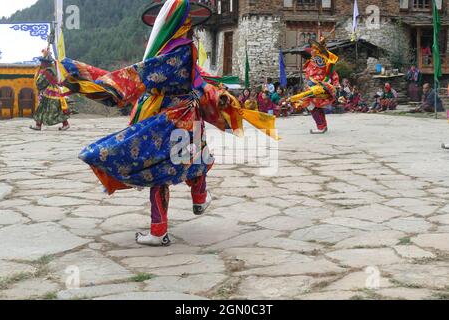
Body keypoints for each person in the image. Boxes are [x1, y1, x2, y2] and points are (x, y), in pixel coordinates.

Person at [60, 0, 278, 247]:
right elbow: (196, 79)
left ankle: (158, 230)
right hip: (189, 115)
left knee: (159, 171)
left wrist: (87, 79)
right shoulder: (185, 49)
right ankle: (200, 199)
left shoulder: (173, 53)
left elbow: (138, 77)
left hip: (170, 119)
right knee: (196, 158)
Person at [289, 37, 340, 134]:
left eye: (314, 48)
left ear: (318, 50)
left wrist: (335, 83)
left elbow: (332, 73)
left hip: (317, 87)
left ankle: (321, 127)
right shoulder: (316, 59)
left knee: (309, 104)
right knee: (316, 107)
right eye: (312, 48)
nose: (312, 50)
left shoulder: (320, 59)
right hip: (313, 86)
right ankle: (322, 126)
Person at [30, 49, 70, 131]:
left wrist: (39, 85)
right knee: (43, 107)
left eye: (43, 62)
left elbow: (42, 82)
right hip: (48, 92)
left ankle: (65, 124)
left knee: (54, 109)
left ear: (46, 63)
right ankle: (38, 125)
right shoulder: (49, 69)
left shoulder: (48, 71)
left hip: (52, 92)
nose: (41, 63)